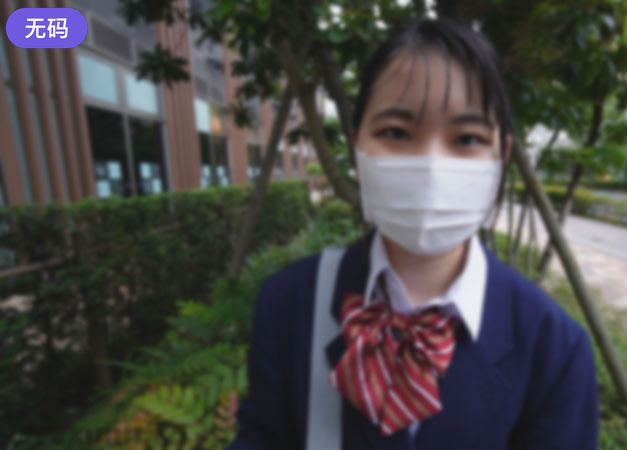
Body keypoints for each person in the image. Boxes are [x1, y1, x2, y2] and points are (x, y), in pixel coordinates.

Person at [228, 17, 598, 450]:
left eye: (467, 138)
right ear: (357, 148)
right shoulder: (288, 303)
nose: (431, 166)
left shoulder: (555, 347)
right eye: (396, 133)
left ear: (502, 155)